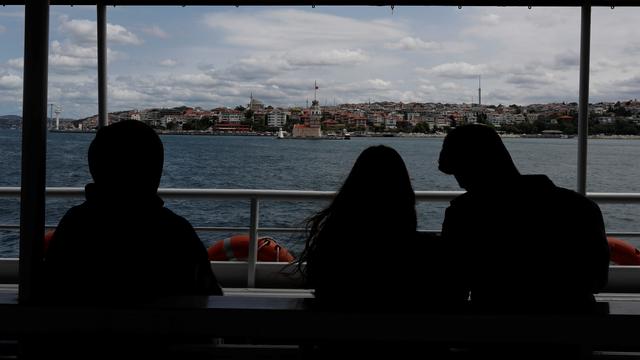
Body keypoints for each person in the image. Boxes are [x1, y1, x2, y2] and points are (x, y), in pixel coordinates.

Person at [42, 120, 223, 304]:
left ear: (96, 167)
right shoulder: (176, 232)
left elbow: (51, 289)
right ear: (154, 171)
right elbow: (210, 297)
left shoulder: (75, 225)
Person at [438, 124, 609, 314]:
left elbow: (453, 286)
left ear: (471, 167)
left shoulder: (464, 214)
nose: (461, 182)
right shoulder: (580, 206)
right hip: (571, 330)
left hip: (496, 331)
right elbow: (597, 281)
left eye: (459, 172)